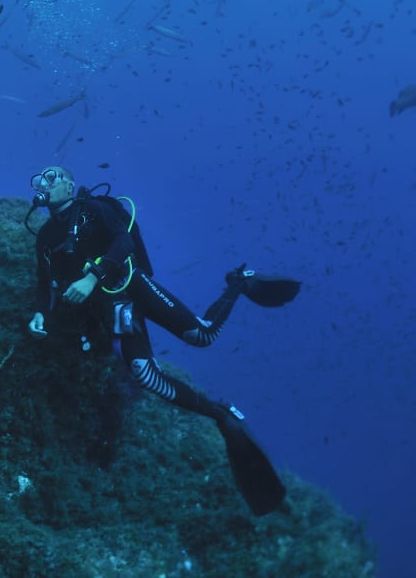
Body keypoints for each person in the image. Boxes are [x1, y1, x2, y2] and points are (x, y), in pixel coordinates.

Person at [25, 166, 301, 516]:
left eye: (51, 178)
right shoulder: (46, 236)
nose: (43, 184)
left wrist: (92, 277)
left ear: (69, 184)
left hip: (133, 284)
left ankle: (240, 282)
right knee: (144, 373)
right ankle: (221, 414)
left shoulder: (94, 209)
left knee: (202, 335)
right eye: (38, 180)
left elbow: (124, 241)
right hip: (112, 306)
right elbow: (44, 282)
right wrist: (40, 313)